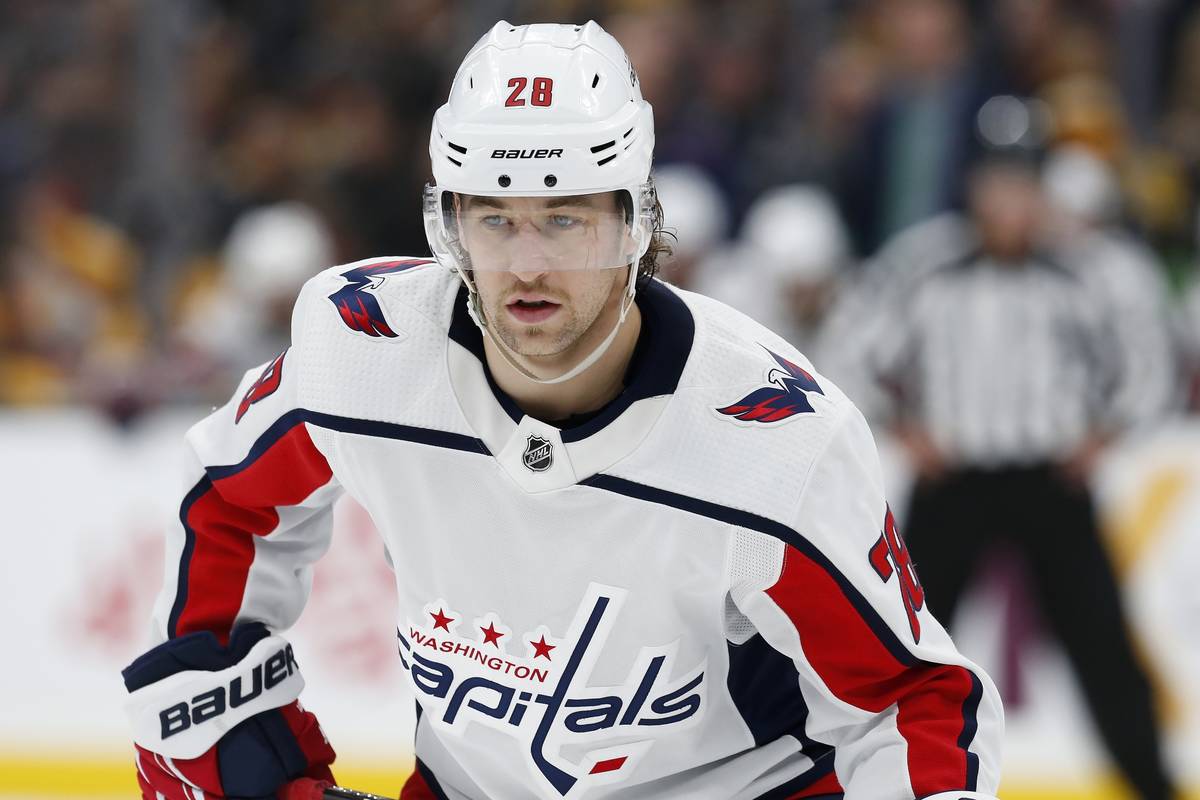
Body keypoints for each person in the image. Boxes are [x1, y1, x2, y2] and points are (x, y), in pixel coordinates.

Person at [122, 21, 1002, 800]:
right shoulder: (364, 351)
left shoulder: (768, 441)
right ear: (449, 223)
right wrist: (218, 727)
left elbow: (911, 701)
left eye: (564, 218)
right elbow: (229, 502)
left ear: (634, 224)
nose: (526, 264)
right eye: (494, 219)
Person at [853, 151, 1177, 800]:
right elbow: (852, 348)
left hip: (1049, 481)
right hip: (955, 483)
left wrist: (1105, 434)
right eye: (995, 184)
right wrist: (901, 427)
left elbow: (1148, 363)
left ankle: (1153, 785)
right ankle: (868, 782)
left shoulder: (1083, 268)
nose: (1008, 203)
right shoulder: (926, 262)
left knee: (1102, 648)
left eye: (1021, 186)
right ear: (973, 189)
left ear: (1039, 193)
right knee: (901, 646)